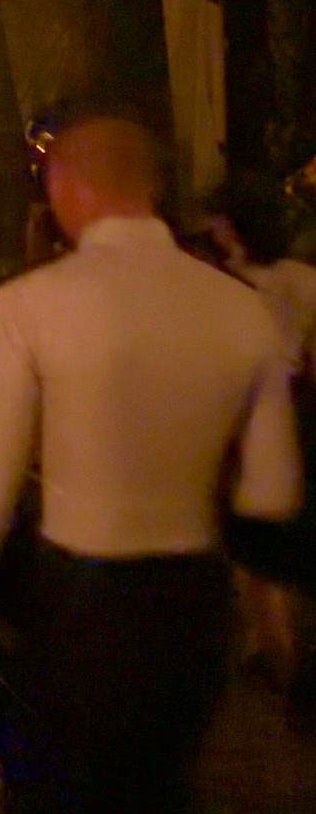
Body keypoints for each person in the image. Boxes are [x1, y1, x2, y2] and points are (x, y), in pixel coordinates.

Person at [0, 112, 303, 814]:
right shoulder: (244, 310)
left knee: (62, 787)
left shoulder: (32, 303)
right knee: (159, 784)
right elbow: (271, 491)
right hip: (195, 601)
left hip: (84, 599)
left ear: (65, 188)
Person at [209, 175, 316, 694]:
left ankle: (283, 663)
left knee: (254, 551)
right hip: (298, 412)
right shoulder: (300, 278)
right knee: (289, 541)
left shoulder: (217, 284)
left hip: (245, 418)